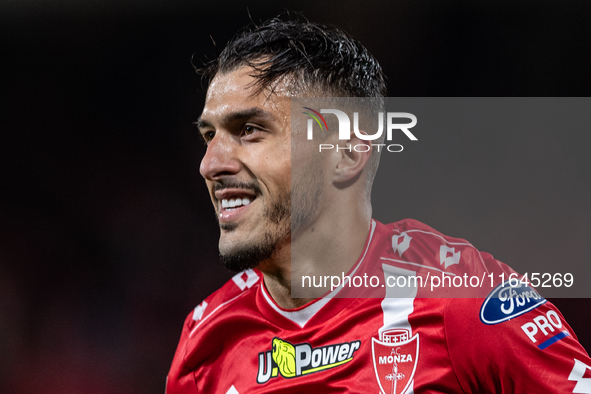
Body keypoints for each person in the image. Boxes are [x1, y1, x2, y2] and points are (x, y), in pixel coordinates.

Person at [167, 16, 591, 393]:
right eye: (209, 136)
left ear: (348, 153)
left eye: (250, 130)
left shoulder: (462, 298)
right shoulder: (204, 343)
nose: (211, 164)